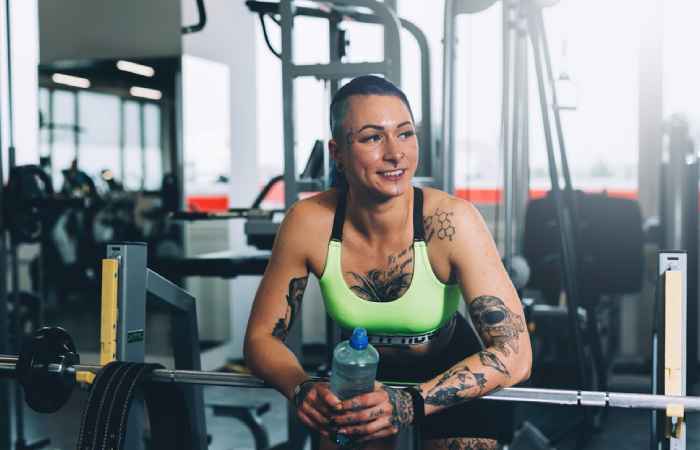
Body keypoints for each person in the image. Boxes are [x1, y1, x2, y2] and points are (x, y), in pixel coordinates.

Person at [244, 75, 532, 450]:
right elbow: (260, 338)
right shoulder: (308, 222)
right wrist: (301, 388)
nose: (396, 153)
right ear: (337, 153)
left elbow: (517, 354)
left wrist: (408, 403)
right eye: (372, 137)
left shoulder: (451, 222)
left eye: (406, 133)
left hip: (450, 369)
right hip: (359, 370)